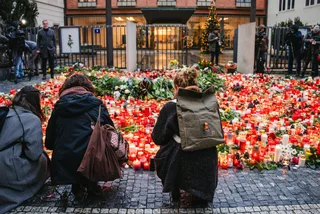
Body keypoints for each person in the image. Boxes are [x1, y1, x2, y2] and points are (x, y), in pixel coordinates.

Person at [152, 68, 218, 207]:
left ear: (177, 87)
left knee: (166, 150)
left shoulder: (171, 107)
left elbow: (157, 138)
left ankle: (177, 188)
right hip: (208, 163)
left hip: (182, 162)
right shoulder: (209, 104)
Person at [45, 74, 115, 196]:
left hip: (64, 158)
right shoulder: (97, 105)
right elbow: (111, 131)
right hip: (93, 157)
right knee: (90, 146)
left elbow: (50, 139)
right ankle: (90, 183)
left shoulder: (59, 107)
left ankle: (77, 184)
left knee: (74, 149)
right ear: (88, 87)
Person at [0, 86, 49, 214]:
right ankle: (26, 188)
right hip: (7, 168)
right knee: (43, 159)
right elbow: (34, 154)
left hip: (3, 163)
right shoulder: (31, 119)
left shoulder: (7, 112)